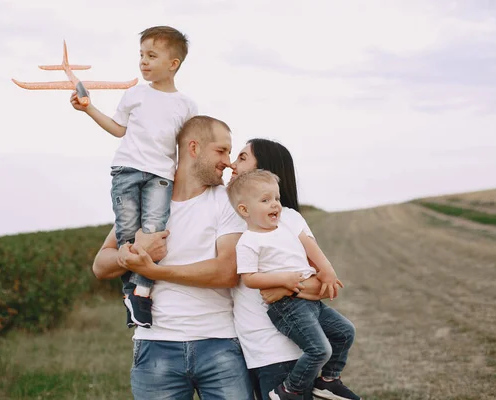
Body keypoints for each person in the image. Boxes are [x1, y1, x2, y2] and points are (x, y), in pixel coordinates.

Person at [91, 115, 254, 400]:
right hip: (155, 347)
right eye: (221, 150)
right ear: (194, 148)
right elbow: (100, 265)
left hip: (219, 344)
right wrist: (127, 258)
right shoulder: (146, 202)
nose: (228, 161)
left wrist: (153, 271)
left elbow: (227, 271)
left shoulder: (226, 201)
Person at [71, 26, 197, 329]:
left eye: (151, 56)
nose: (143, 61)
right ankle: (132, 293)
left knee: (153, 232)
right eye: (141, 55)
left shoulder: (186, 105)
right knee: (128, 232)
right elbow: (118, 129)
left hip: (161, 177)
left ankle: (141, 290)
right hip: (126, 171)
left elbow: (186, 150)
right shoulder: (135, 94)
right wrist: (88, 109)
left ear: (173, 64)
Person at [229, 139, 361, 400]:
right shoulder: (237, 222)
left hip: (287, 346)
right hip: (257, 347)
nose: (232, 164)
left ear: (263, 170)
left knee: (343, 332)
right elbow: (247, 278)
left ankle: (326, 380)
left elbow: (318, 281)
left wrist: (285, 286)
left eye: (242, 158)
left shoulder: (287, 218)